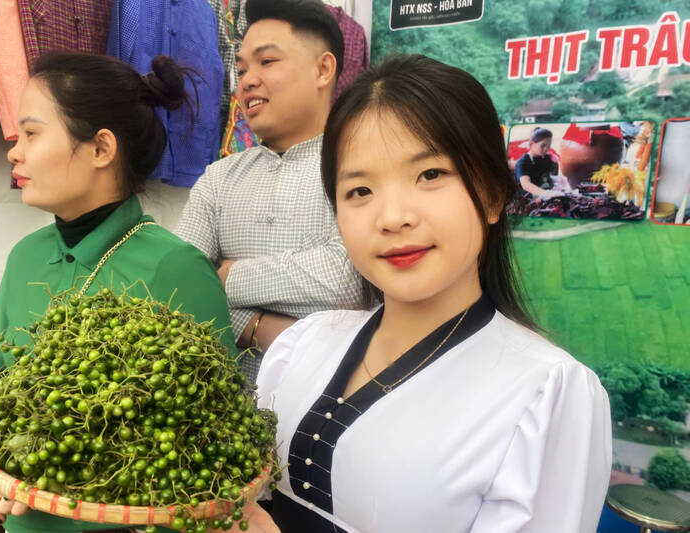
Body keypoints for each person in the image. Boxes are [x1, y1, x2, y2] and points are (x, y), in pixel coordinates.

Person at [237, 55, 612, 532]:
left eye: (430, 174)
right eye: (359, 190)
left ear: (493, 195)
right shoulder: (302, 344)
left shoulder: (547, 395)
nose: (392, 216)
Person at [0, 51, 236, 533]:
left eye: (32, 133)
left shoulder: (176, 270)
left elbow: (214, 442)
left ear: (101, 148)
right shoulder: (24, 257)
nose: (14, 151)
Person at [174, 0, 362, 381]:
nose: (247, 80)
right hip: (223, 418)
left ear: (323, 69)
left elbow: (351, 278)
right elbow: (181, 286)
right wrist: (257, 325)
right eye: (241, 68)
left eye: (267, 62)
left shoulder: (361, 167)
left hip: (331, 400)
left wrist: (226, 277)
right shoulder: (218, 177)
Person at [514, 127, 564, 198]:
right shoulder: (523, 162)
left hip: (543, 197)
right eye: (543, 146)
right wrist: (546, 193)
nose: (546, 149)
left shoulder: (545, 158)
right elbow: (525, 184)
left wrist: (555, 179)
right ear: (531, 143)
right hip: (528, 199)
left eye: (548, 146)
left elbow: (543, 177)